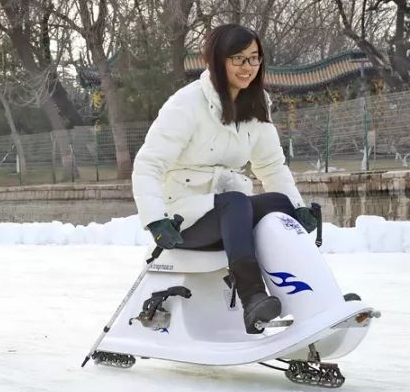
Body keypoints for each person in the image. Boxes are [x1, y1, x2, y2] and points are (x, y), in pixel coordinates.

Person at [132, 24, 318, 334]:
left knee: (278, 203)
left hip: (230, 213)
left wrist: (297, 209)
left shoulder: (256, 105)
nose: (249, 67)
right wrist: (155, 220)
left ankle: (310, 298)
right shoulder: (187, 104)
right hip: (183, 219)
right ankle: (252, 297)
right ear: (218, 60)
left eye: (254, 58)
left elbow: (271, 166)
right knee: (235, 203)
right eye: (239, 59)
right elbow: (149, 164)